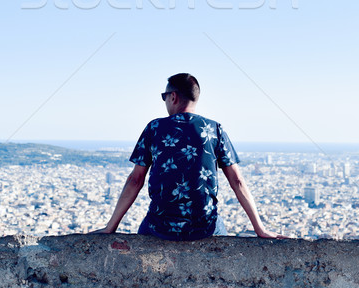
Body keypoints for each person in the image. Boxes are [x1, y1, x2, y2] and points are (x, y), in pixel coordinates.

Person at [93, 73, 285, 240]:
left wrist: (111, 227)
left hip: (161, 227)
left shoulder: (155, 128)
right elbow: (237, 180)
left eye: (164, 96)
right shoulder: (214, 129)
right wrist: (260, 229)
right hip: (205, 228)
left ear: (173, 97)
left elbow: (135, 180)